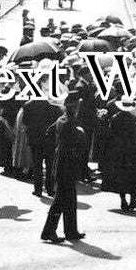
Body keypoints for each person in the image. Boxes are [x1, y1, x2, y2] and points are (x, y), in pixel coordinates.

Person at [42, 94, 88, 243]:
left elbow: (49, 133)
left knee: (69, 200)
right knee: (61, 200)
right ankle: (49, 232)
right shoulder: (71, 122)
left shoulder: (61, 119)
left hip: (61, 161)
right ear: (74, 107)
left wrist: (57, 147)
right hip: (68, 163)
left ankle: (71, 231)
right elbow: (79, 141)